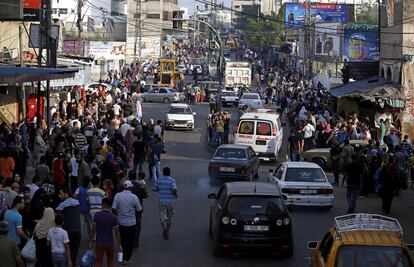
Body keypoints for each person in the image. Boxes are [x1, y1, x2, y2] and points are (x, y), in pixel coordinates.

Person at [112, 180, 142, 264]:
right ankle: (126, 258)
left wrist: (119, 213)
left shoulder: (118, 196)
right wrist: (138, 217)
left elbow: (113, 208)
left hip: (120, 222)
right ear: (130, 188)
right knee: (130, 241)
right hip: (131, 223)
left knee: (122, 240)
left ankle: (121, 257)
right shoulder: (134, 197)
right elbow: (139, 209)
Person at [91, 198, 122, 267]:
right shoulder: (113, 217)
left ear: (104, 204)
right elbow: (117, 232)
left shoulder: (97, 215)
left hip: (99, 242)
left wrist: (92, 242)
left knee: (98, 261)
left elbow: (93, 230)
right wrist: (119, 245)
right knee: (111, 261)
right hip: (109, 242)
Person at [56, 187, 81, 266]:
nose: (59, 196)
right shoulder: (77, 202)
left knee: (66, 254)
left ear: (66, 194)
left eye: (61, 194)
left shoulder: (62, 205)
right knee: (74, 254)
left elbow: (56, 217)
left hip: (67, 232)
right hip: (78, 230)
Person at [154, 167, 177, 240]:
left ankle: (164, 228)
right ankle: (167, 230)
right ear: (169, 173)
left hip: (162, 201)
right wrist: (175, 194)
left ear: (163, 173)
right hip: (170, 202)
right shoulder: (172, 180)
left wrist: (159, 189)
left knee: (162, 217)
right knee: (170, 218)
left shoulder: (159, 180)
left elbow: (154, 188)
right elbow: (174, 188)